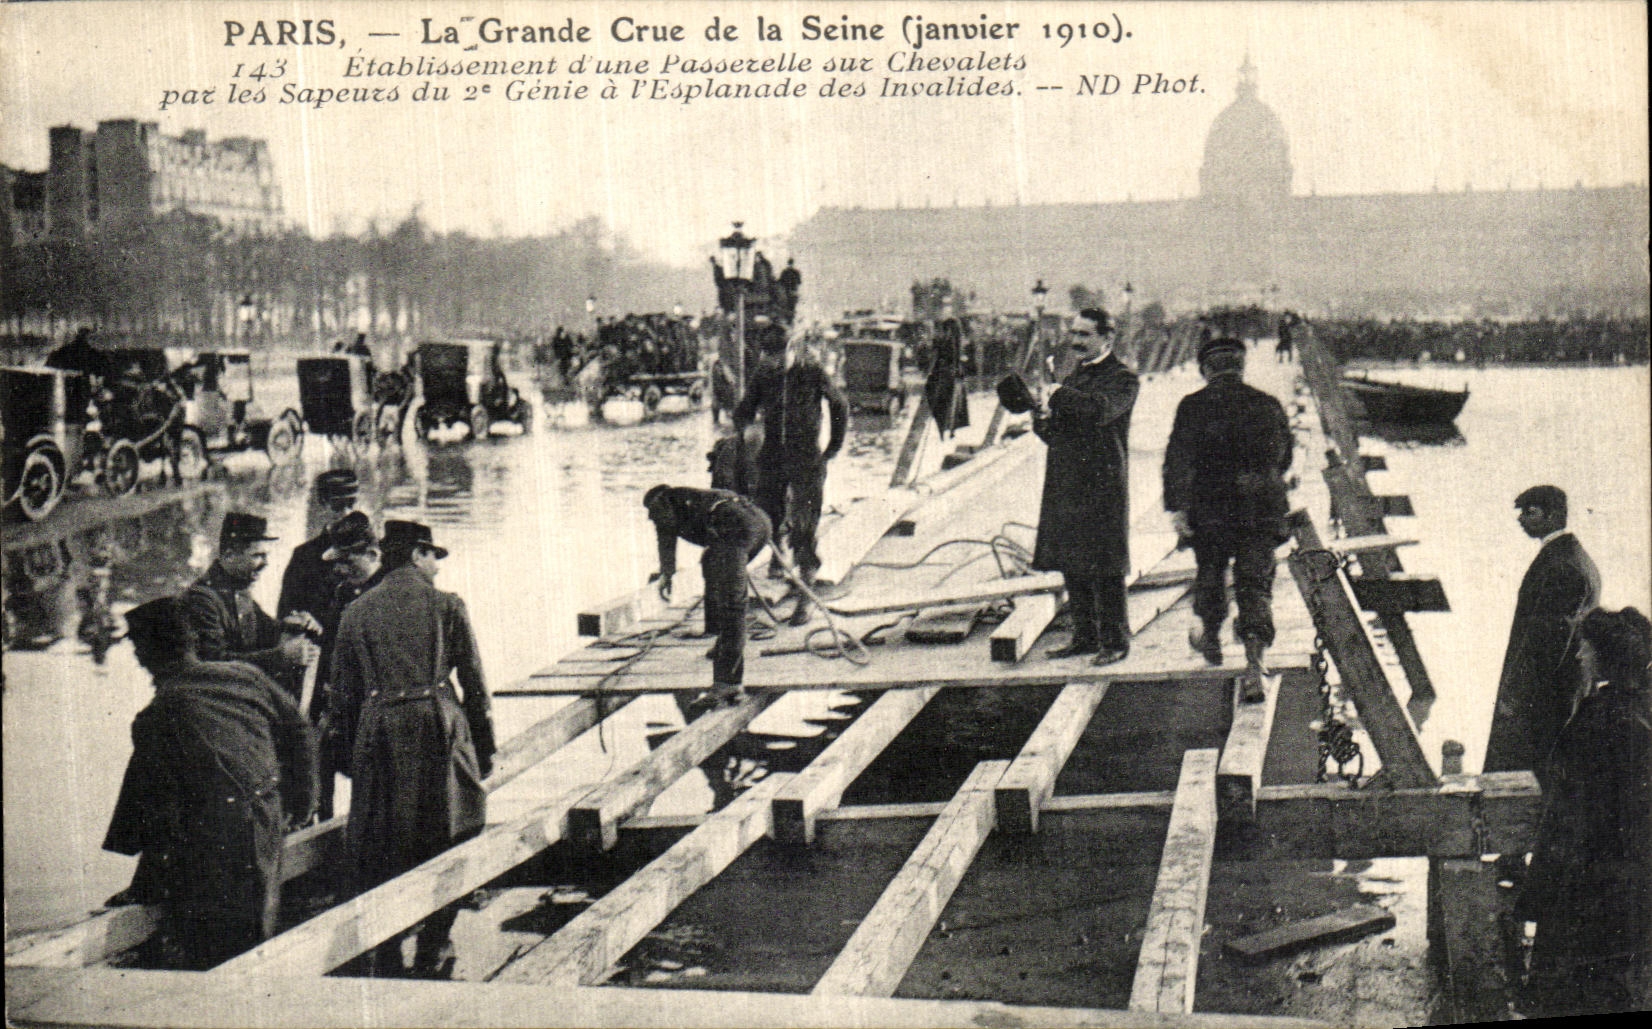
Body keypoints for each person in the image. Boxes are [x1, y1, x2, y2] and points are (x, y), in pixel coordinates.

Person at [102, 597, 317, 969]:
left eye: (137, 648)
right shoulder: (246, 675)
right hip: (266, 821)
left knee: (214, 947)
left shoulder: (157, 715)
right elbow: (300, 732)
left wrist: (142, 884)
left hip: (215, 842)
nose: (136, 658)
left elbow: (154, 812)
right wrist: (303, 802)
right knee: (255, 935)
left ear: (150, 653)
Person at [330, 520, 495, 979]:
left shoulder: (355, 612)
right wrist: (483, 747)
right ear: (418, 554)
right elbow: (475, 685)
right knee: (452, 826)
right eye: (433, 557)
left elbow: (343, 697)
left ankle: (385, 949)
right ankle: (436, 939)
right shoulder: (447, 605)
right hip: (438, 726)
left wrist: (350, 758)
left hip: (379, 730)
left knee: (381, 837)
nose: (437, 568)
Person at [1516, 607, 1652, 1016]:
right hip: (1640, 889)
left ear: (1604, 658)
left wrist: (1533, 899)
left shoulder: (1597, 722)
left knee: (1566, 995)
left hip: (1592, 892)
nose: (1578, 657)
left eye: (1585, 648)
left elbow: (1566, 823)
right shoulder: (1643, 709)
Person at [1162, 336, 1294, 701]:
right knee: (1255, 583)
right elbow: (1284, 459)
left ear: (1206, 370)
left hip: (1211, 510)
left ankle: (1212, 641)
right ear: (1241, 367)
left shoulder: (1192, 406)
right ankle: (1255, 665)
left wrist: (1178, 508)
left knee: (1211, 573)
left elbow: (1177, 462)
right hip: (1260, 510)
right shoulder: (1267, 404)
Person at [1031, 308, 1139, 666]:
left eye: (1085, 335)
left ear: (1107, 338)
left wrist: (1059, 395)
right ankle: (1085, 637)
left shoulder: (1122, 378)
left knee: (1106, 563)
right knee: (1073, 560)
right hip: (1068, 480)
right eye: (1074, 334)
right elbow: (1062, 432)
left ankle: (1116, 641)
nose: (1075, 341)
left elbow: (1100, 412)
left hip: (1102, 482)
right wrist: (1041, 419)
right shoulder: (1075, 376)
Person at [1483, 485, 1601, 784]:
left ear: (1555, 515)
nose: (1522, 519)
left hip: (1547, 692)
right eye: (1521, 513)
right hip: (1562, 686)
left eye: (1530, 513)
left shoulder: (1562, 565)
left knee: (1531, 769)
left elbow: (1547, 642)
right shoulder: (1571, 557)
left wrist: (1516, 694)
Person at [732, 322, 847, 598]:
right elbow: (744, 410)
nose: (775, 362)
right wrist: (746, 430)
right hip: (773, 452)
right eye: (769, 357)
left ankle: (806, 579)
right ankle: (777, 555)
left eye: (779, 355)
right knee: (767, 509)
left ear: (792, 349)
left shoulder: (811, 371)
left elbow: (839, 404)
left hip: (806, 454)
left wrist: (832, 447)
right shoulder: (764, 374)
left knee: (806, 517)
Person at [644, 484, 773, 708]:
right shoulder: (678, 501)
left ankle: (728, 684)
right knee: (711, 563)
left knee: (732, 604)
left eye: (655, 516)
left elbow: (666, 528)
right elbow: (665, 537)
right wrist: (667, 573)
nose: (655, 521)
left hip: (736, 529)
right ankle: (718, 635)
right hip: (758, 522)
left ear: (662, 505)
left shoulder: (671, 501)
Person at [181, 512, 319, 693]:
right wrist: (281, 657)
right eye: (258, 556)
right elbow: (214, 664)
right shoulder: (201, 600)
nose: (265, 563)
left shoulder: (238, 589)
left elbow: (265, 629)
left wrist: (291, 625)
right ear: (229, 555)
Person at [277, 469, 362, 623]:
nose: (346, 513)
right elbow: (286, 615)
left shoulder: (374, 553)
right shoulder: (304, 557)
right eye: (337, 506)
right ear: (323, 503)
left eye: (351, 504)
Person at [924, 317, 972, 439]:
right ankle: (950, 431)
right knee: (953, 404)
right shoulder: (958, 342)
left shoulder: (941, 341)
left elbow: (934, 359)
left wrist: (929, 373)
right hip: (953, 376)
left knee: (940, 403)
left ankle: (943, 432)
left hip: (943, 376)